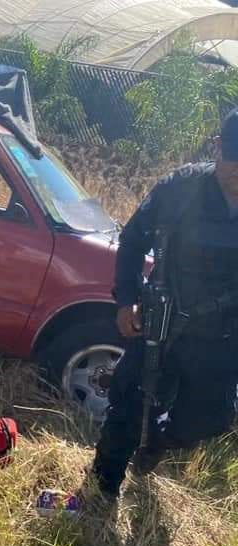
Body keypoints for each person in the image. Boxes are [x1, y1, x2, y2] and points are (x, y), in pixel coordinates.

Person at [88, 108, 238, 504]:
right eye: (233, 159)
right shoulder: (181, 189)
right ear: (218, 147)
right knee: (127, 405)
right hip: (162, 323)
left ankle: (158, 441)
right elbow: (132, 241)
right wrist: (126, 300)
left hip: (222, 336)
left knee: (211, 419)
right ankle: (102, 490)